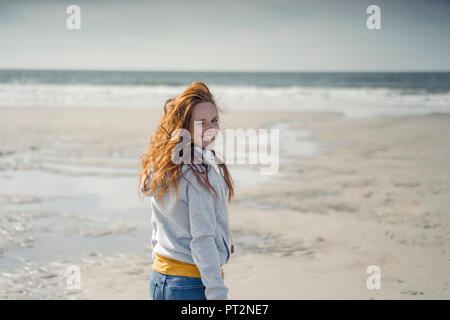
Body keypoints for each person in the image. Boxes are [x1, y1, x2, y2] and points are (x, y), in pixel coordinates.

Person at [139, 81, 234, 300]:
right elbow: (202, 239)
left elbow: (158, 223)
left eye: (214, 120)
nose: (211, 128)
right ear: (185, 126)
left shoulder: (165, 164)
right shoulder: (200, 172)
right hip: (189, 284)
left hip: (159, 278)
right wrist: (217, 293)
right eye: (202, 123)